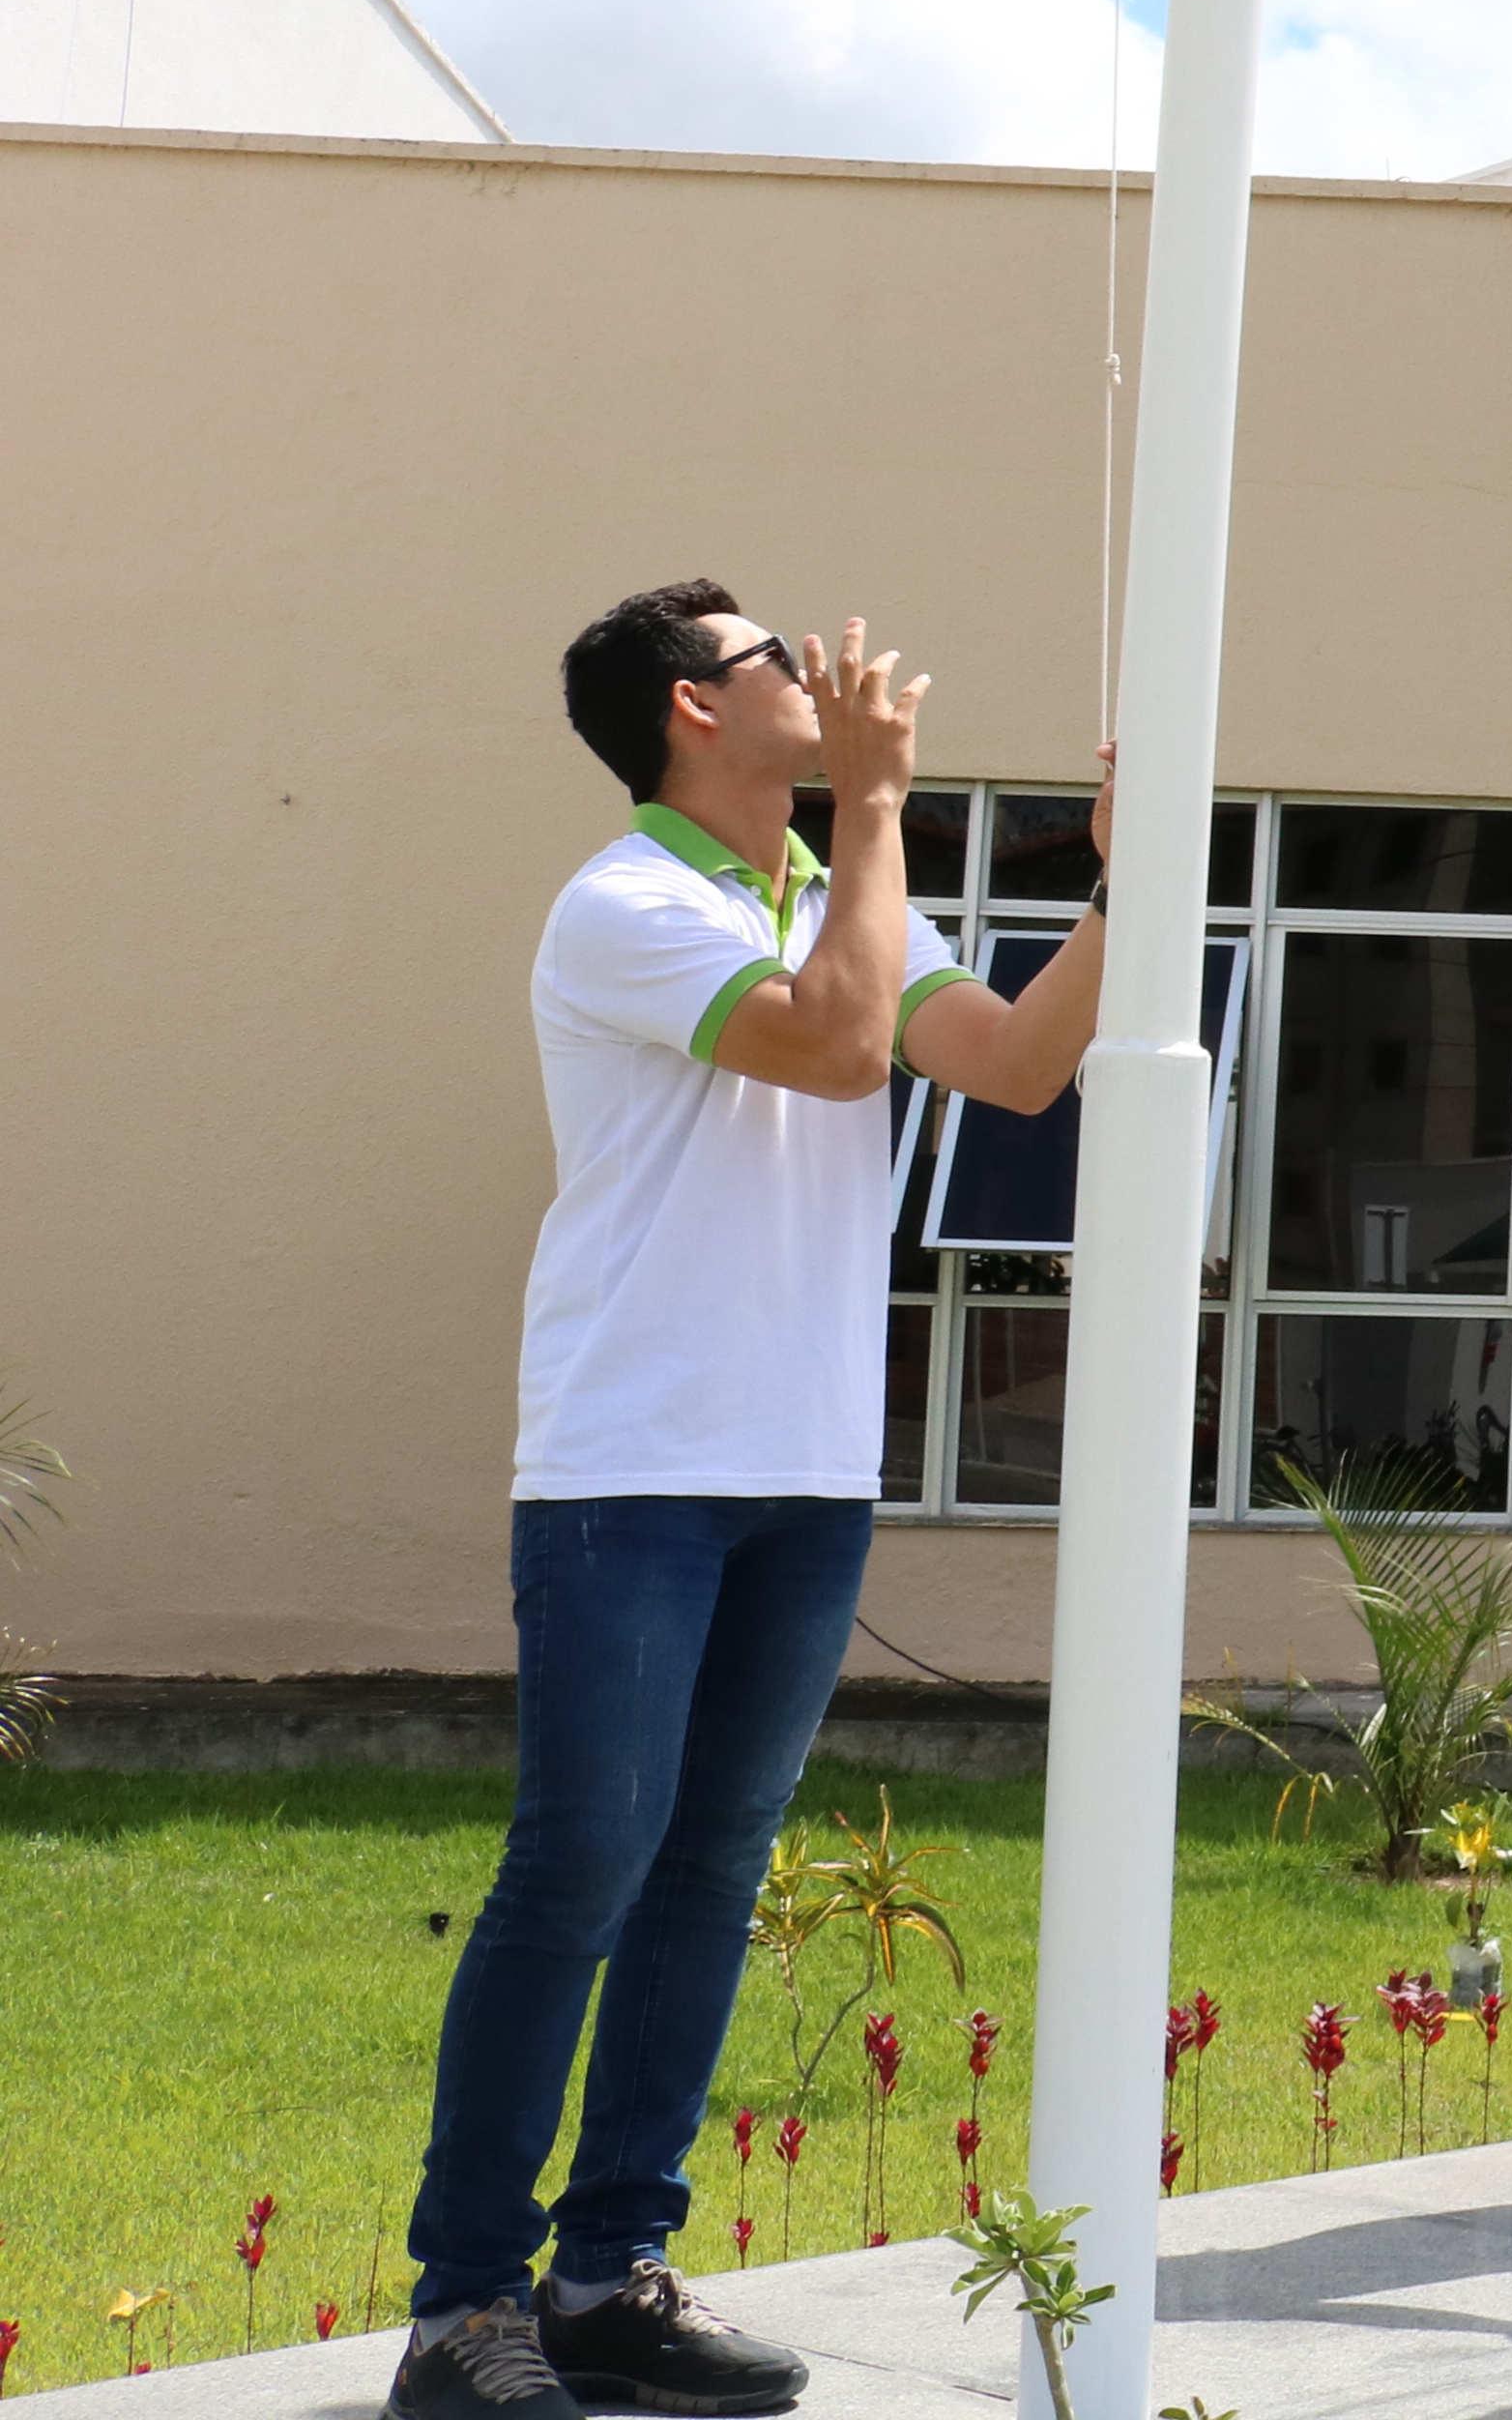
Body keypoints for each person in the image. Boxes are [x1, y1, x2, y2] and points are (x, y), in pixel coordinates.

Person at [399, 589, 1113, 2420]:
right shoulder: (628, 900)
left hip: (802, 1473)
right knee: (579, 1868)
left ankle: (608, 2274)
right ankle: (463, 2304)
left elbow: (1017, 1067)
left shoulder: (829, 898)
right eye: (773, 653)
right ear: (688, 714)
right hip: (630, 1468)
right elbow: (835, 1047)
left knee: (710, 1874)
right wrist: (873, 809)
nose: (817, 667)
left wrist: (1128, 884)